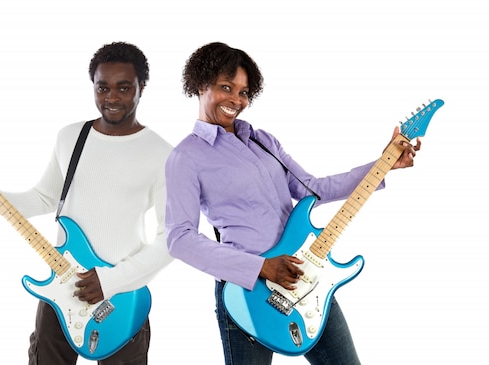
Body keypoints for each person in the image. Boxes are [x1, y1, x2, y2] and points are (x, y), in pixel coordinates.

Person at [164, 42, 420, 365]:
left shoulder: (263, 141)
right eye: (226, 88)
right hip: (247, 293)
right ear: (201, 85)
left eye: (243, 92)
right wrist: (261, 267)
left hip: (305, 277)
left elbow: (313, 188)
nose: (236, 100)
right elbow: (179, 239)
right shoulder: (185, 157)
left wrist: (384, 163)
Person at [0, 42, 173, 365]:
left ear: (141, 87)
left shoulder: (162, 154)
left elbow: (171, 239)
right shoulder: (70, 138)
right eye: (102, 87)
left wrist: (109, 281)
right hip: (62, 288)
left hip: (122, 297)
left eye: (123, 88)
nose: (111, 98)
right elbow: (45, 197)